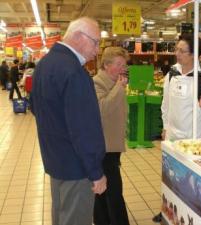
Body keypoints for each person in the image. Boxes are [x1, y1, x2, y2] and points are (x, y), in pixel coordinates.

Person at [30, 17, 107, 225]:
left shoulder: (45, 64)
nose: (97, 49)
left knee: (61, 216)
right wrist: (96, 172)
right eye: (95, 41)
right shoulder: (75, 73)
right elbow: (85, 129)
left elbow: (34, 107)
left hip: (56, 161)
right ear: (78, 37)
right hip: (77, 169)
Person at [153, 34, 201, 222]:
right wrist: (165, 127)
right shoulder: (172, 74)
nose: (177, 54)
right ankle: (167, 210)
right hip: (173, 137)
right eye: (177, 49)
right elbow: (165, 104)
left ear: (194, 55)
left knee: (189, 182)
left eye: (182, 51)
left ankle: (190, 217)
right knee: (170, 175)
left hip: (194, 140)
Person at [93, 47, 130, 225]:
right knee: (114, 191)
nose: (123, 68)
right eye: (118, 64)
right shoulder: (97, 83)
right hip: (103, 147)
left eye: (124, 64)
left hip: (111, 146)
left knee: (103, 190)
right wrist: (119, 87)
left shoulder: (113, 82)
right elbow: (103, 109)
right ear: (106, 65)